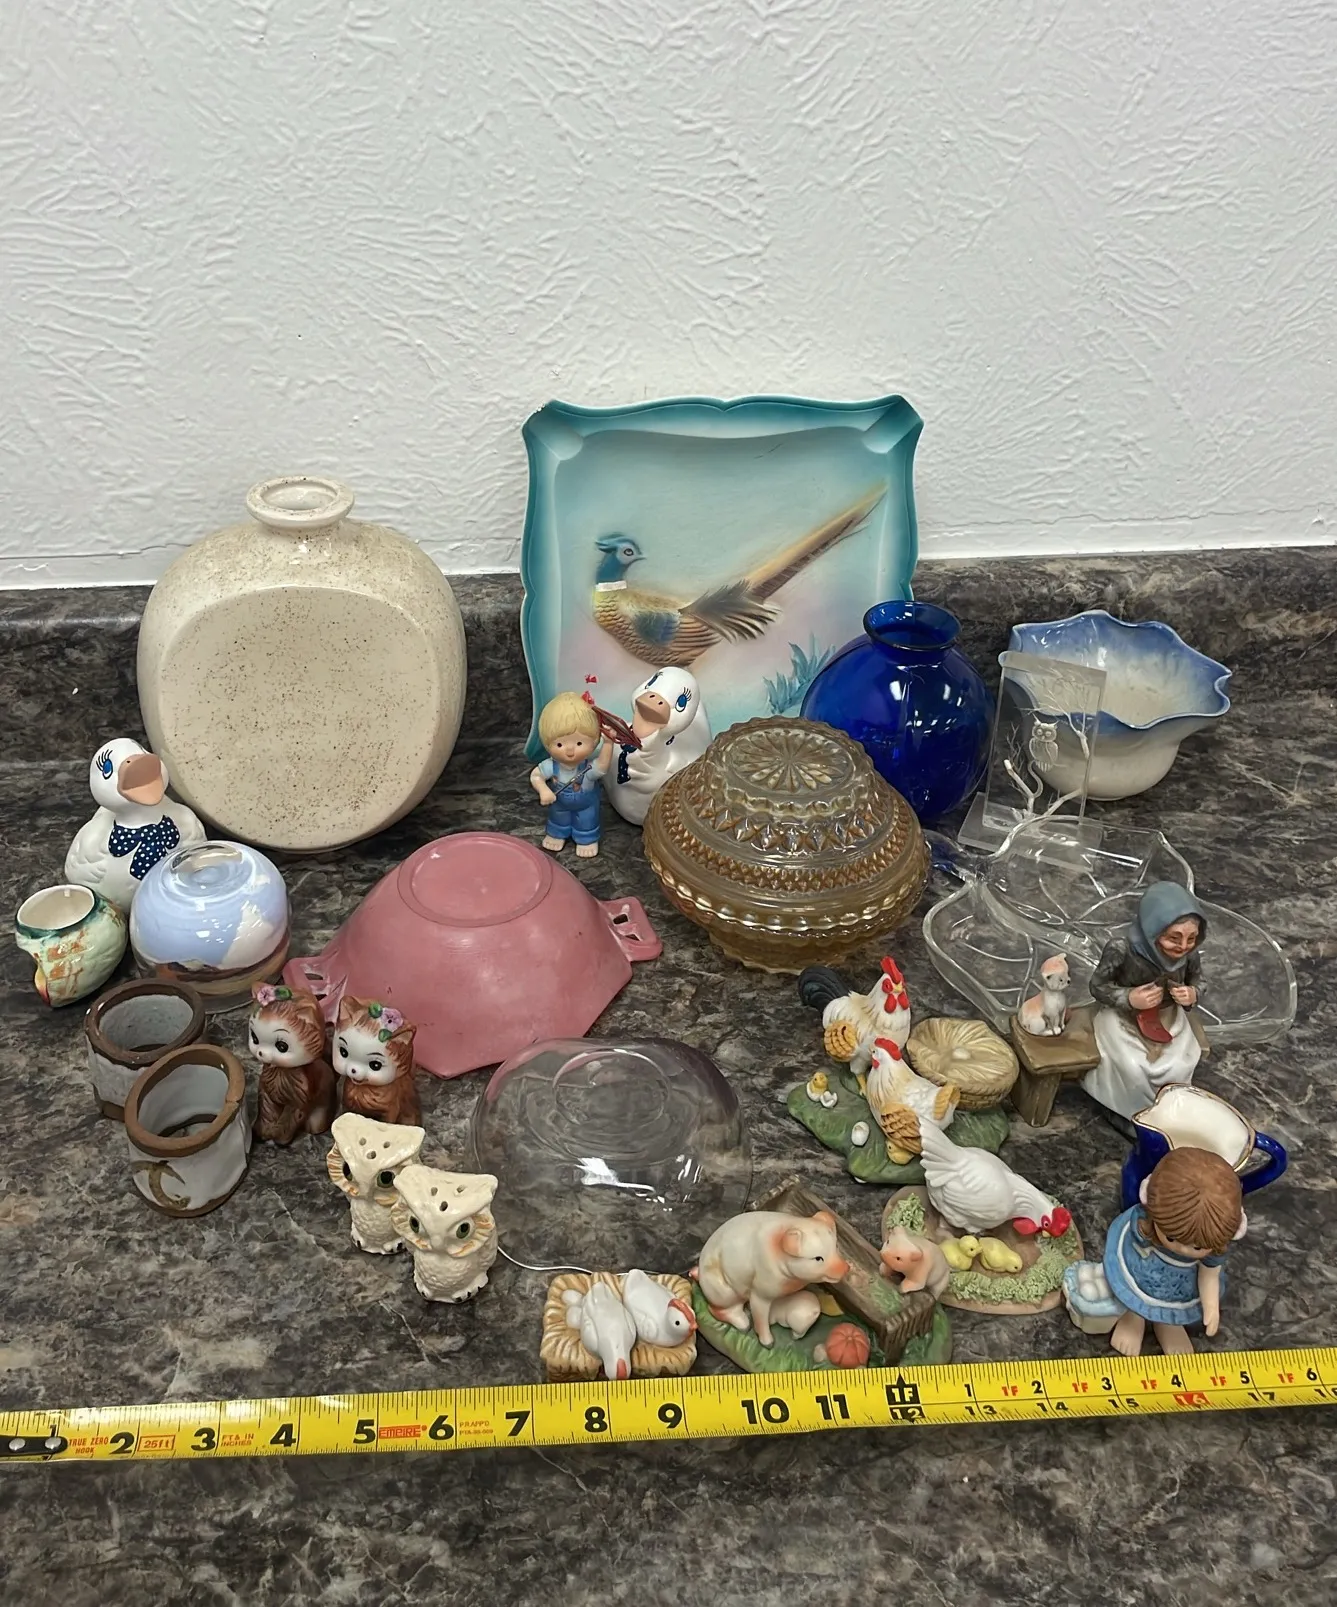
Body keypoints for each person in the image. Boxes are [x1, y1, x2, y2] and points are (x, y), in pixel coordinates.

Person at [1082, 881, 1207, 1123]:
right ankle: (1128, 1114)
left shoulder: (1189, 955)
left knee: (1182, 1062)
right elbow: (1097, 986)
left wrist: (1192, 993)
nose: (1183, 946)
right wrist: (1129, 998)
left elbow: (1200, 980)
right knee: (1133, 1066)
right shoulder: (1121, 949)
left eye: (1191, 939)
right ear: (1153, 930)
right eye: (1174, 938)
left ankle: (1166, 1115)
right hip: (1123, 1018)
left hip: (1168, 1018)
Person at [1102, 1146, 1245, 1357]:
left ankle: (1168, 1325)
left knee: (1173, 1311)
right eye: (1171, 1237)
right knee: (1133, 1293)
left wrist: (1211, 1307)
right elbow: (1134, 1247)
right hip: (1142, 1270)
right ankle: (1133, 1317)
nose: (1182, 1248)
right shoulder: (1144, 1225)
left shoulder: (1214, 1246)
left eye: (1197, 1247)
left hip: (1181, 1286)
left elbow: (1209, 1275)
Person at [529, 692, 612, 858]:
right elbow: (536, 776)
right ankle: (557, 833)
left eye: (579, 743)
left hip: (586, 805)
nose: (569, 751)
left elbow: (602, 767)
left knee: (587, 819)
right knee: (558, 817)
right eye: (559, 744)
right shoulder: (552, 766)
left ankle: (586, 838)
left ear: (594, 741)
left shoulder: (587, 768)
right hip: (559, 803)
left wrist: (609, 744)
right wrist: (543, 790)